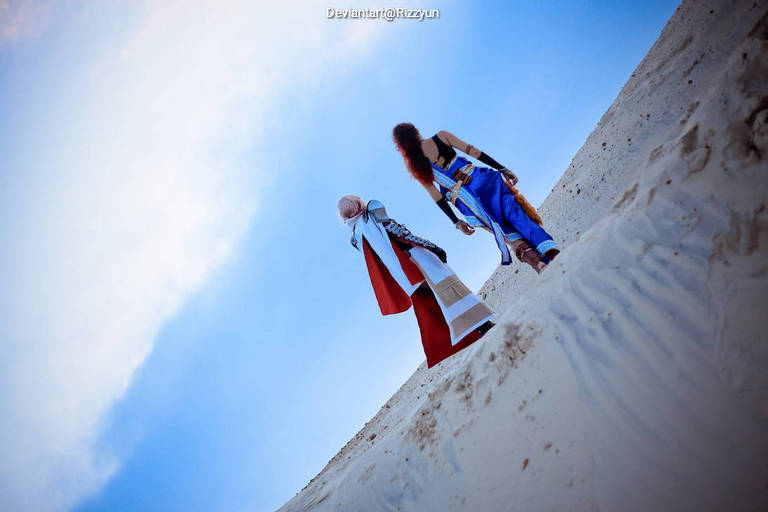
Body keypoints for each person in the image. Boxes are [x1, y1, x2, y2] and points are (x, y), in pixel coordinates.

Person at [338, 194, 495, 368]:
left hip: (403, 275)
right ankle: (483, 326)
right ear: (357, 203)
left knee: (438, 300)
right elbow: (399, 232)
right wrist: (430, 246)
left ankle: (476, 331)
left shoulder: (355, 237)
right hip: (416, 258)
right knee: (451, 289)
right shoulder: (372, 210)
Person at [392, 122, 560, 273]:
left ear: (402, 147)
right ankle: (551, 254)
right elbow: (473, 151)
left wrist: (456, 222)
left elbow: (436, 197)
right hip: (481, 181)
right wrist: (502, 168)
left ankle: (537, 264)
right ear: (416, 131)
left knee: (504, 232)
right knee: (516, 215)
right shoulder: (440, 137)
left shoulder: (417, 167)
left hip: (466, 201)